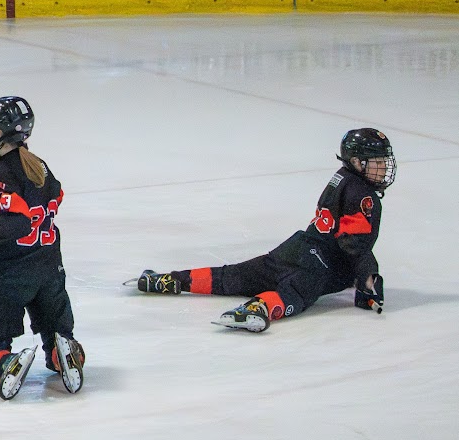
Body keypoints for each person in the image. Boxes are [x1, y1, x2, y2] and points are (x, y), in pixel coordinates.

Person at [134, 128, 394, 333]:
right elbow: (354, 245)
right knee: (292, 295)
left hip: (298, 247)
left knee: (235, 276)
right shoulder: (365, 196)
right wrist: (369, 281)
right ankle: (256, 309)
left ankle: (170, 279)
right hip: (319, 266)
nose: (383, 168)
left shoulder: (342, 177)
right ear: (358, 162)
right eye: (377, 162)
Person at [0, 97, 84, 400]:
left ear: (0, 133)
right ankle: (64, 355)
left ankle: (6, 363)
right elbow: (54, 197)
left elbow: (17, 221)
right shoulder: (40, 166)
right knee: (58, 335)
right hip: (49, 269)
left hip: (10, 275)